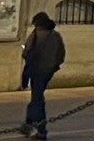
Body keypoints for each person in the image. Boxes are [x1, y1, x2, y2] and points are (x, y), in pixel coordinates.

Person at [20, 12, 66, 140]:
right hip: (48, 71)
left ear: (37, 23)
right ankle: (29, 123)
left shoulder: (35, 35)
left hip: (36, 71)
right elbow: (61, 54)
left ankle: (41, 130)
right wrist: (53, 66)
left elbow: (26, 53)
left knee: (37, 100)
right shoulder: (56, 35)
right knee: (37, 96)